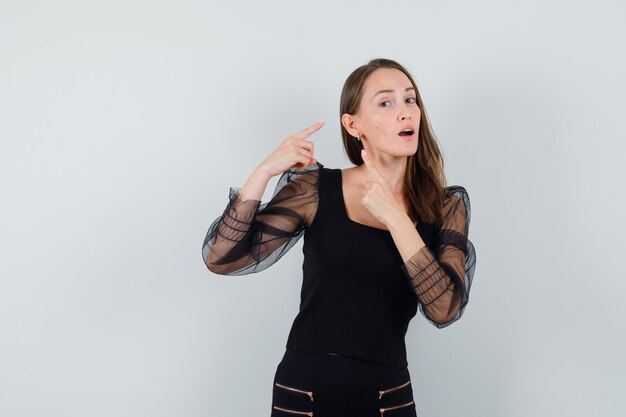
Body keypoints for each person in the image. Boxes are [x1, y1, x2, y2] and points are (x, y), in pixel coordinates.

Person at [201, 58, 476, 417]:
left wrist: (396, 218)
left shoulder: (446, 205)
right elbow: (221, 258)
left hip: (387, 393)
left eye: (410, 100)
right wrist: (265, 170)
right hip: (304, 389)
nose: (405, 112)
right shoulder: (316, 189)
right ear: (353, 123)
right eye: (386, 102)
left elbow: (445, 309)